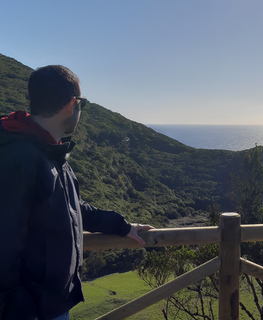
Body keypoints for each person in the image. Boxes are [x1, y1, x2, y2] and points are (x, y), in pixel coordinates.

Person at [0, 65, 153, 320]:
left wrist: (121, 226)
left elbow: (71, 206)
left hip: (50, 305)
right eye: (83, 103)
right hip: (32, 310)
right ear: (72, 104)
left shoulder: (47, 149)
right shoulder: (20, 157)